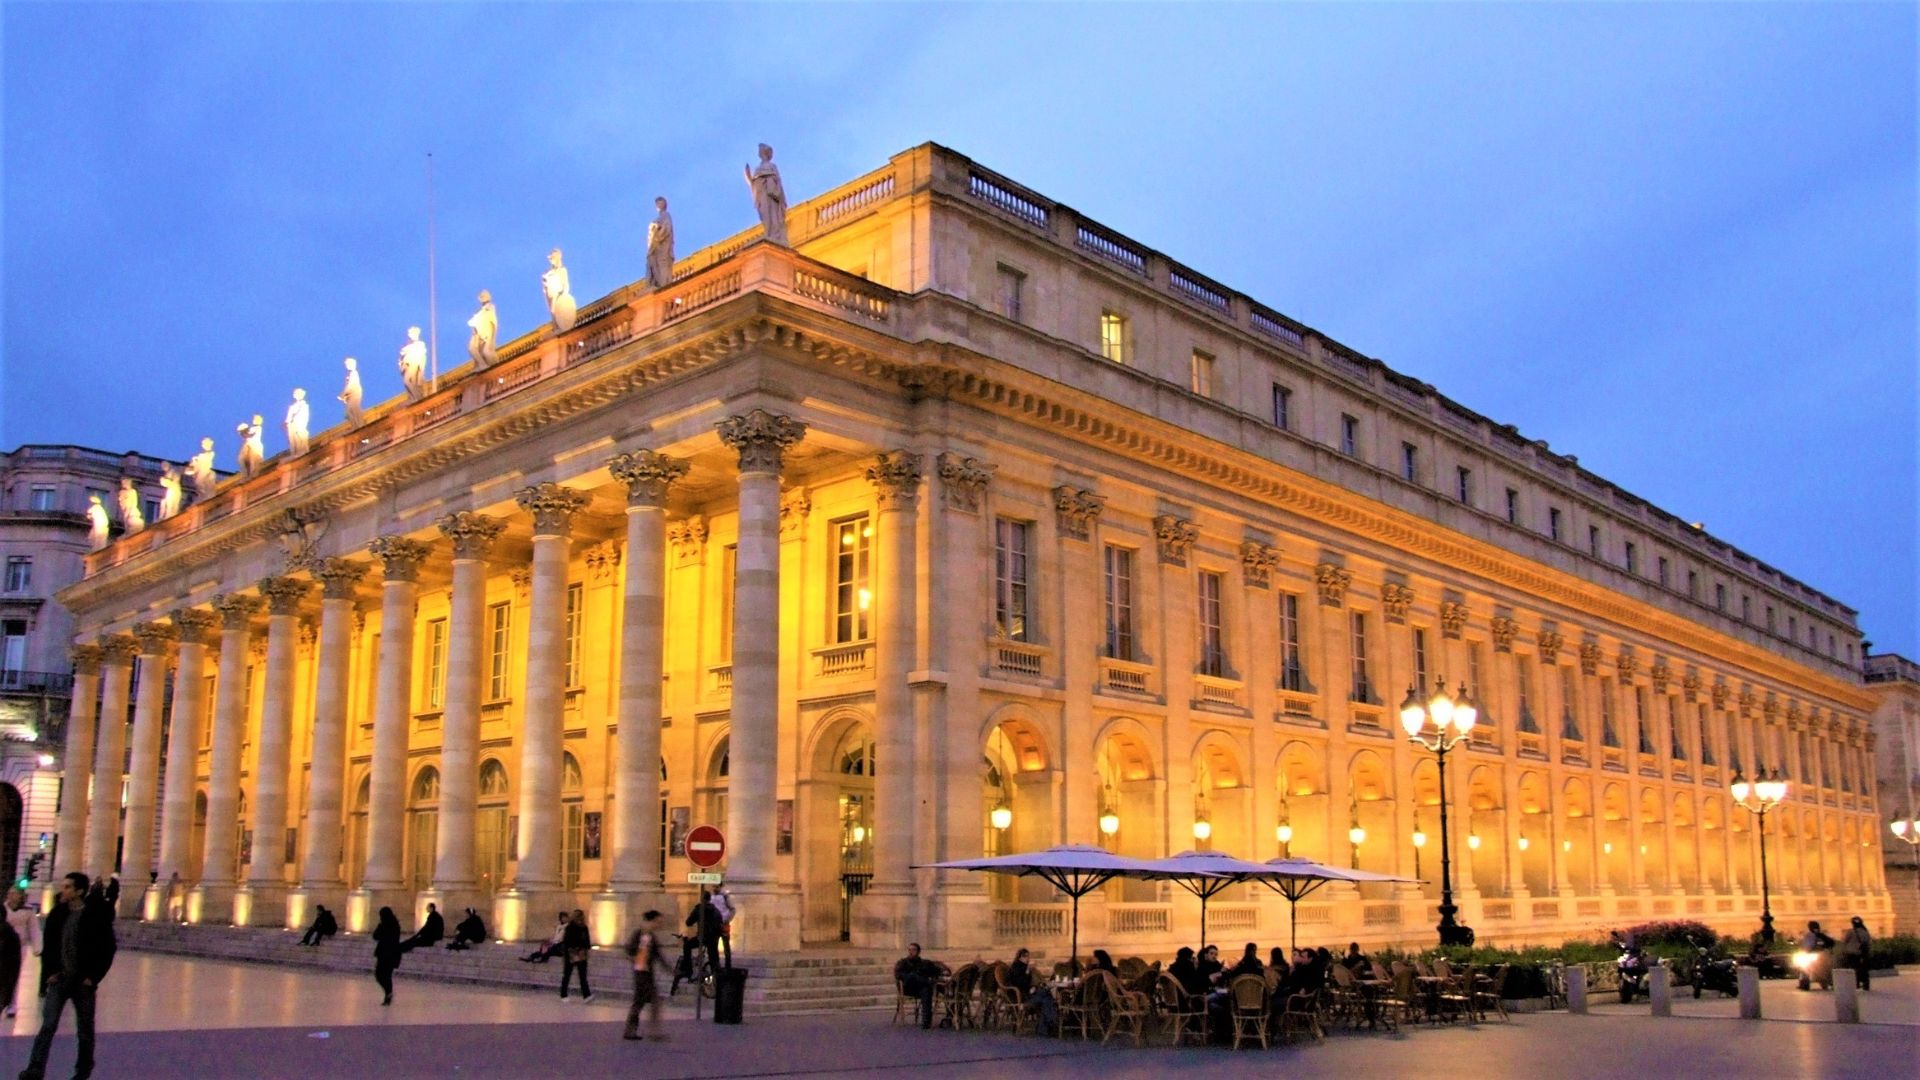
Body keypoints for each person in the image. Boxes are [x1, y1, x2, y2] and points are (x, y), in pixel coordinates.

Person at [20, 873, 115, 1080]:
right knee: (48, 1025)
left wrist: (93, 977)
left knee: (85, 1029)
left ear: (79, 891)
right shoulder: (57, 914)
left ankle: (83, 1070)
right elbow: (50, 947)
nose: (62, 891)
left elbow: (107, 948)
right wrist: (49, 974)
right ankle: (35, 1069)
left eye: (67, 887)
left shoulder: (94, 916)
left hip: (83, 982)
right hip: (60, 979)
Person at [622, 910, 666, 1042]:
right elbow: (628, 951)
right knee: (649, 1002)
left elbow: (658, 955)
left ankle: (632, 1031)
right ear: (650, 921)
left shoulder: (651, 936)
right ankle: (652, 1032)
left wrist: (669, 969)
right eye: (657, 921)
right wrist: (636, 959)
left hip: (646, 974)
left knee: (640, 1003)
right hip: (641, 974)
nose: (659, 924)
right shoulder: (639, 934)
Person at [6, 887, 40, 1017]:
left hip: (20, 946)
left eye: (14, 893)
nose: (11, 895)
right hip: (4, 946)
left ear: (21, 895)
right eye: (9, 893)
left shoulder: (28, 910)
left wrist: (37, 947)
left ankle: (12, 1004)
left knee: (14, 975)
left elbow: (34, 929)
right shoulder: (3, 909)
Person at [894, 943, 940, 1029]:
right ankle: (926, 982)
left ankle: (926, 1022)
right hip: (908, 988)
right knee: (913, 975)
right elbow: (899, 976)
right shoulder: (903, 963)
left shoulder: (924, 963)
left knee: (926, 991)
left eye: (913, 950)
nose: (911, 952)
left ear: (918, 952)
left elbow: (937, 971)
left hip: (920, 989)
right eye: (910, 950)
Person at [686, 889, 722, 975]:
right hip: (713, 939)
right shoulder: (716, 910)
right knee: (713, 957)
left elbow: (688, 922)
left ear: (701, 899)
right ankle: (716, 973)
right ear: (709, 899)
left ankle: (688, 969)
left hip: (702, 938)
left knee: (687, 946)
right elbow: (720, 923)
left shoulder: (699, 909)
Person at [372, 906, 403, 1006]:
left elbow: (376, 936)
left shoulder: (385, 925)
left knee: (380, 974)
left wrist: (380, 927)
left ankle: (388, 994)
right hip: (392, 953)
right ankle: (388, 994)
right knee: (386, 975)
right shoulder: (395, 925)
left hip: (385, 953)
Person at [560, 909, 593, 1001]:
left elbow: (587, 940)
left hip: (581, 953)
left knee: (583, 975)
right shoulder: (570, 927)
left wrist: (586, 949)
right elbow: (567, 941)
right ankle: (563, 994)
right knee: (567, 974)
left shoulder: (584, 928)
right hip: (571, 953)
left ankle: (586, 995)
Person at [1837, 916, 1872, 991]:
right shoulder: (1865, 932)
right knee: (1863, 969)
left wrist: (1842, 951)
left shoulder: (1850, 932)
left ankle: (1855, 984)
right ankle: (1865, 984)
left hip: (1851, 953)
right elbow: (1868, 943)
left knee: (1852, 969)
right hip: (1862, 954)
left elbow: (1844, 941)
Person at [710, 885, 736, 968]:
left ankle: (728, 965)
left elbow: (732, 909)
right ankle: (717, 964)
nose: (715, 888)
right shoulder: (711, 897)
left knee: (726, 945)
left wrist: (727, 919)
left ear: (720, 887)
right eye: (714, 887)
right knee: (714, 945)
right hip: (714, 924)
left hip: (724, 924)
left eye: (716, 887)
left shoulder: (725, 897)